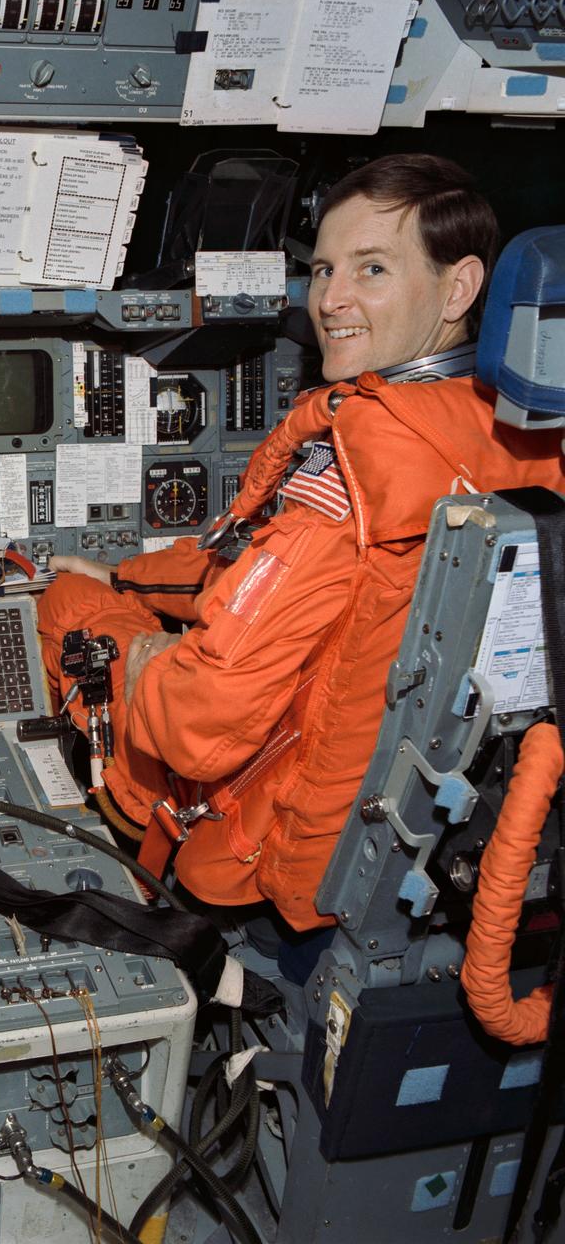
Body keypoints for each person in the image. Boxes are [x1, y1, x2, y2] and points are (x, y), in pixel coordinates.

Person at [38, 154, 565, 932]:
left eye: (372, 269)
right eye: (321, 270)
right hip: (428, 835)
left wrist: (141, 647)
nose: (330, 301)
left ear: (459, 289)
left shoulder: (357, 467)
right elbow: (245, 565)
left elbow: (197, 723)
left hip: (269, 847)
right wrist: (127, 576)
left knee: (64, 604)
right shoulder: (526, 442)